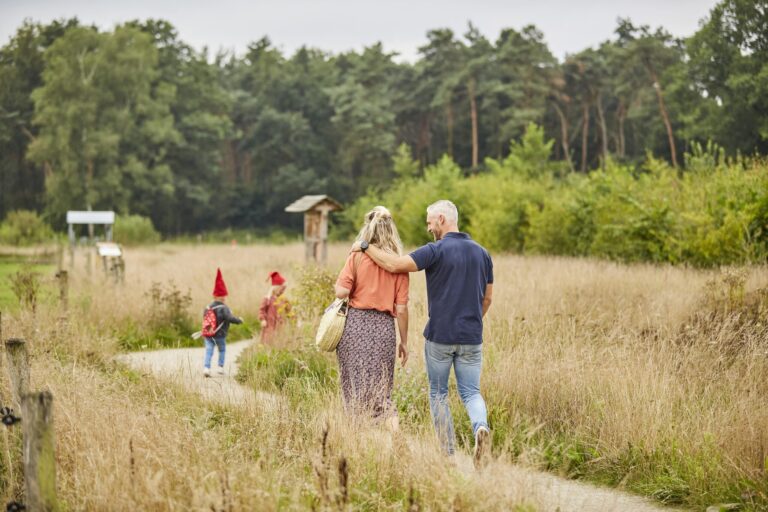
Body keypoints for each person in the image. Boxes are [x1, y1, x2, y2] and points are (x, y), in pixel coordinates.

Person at [352, 199, 494, 467]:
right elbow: (487, 299)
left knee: (438, 393)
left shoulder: (434, 250)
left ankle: (448, 456)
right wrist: (473, 321)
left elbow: (394, 264)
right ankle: (480, 428)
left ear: (441, 219)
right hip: (472, 337)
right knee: (471, 392)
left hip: (440, 336)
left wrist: (365, 246)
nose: (429, 228)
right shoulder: (482, 253)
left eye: (430, 222)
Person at [334, 206, 410, 427]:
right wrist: (404, 342)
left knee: (354, 386)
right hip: (384, 329)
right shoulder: (399, 265)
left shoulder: (357, 256)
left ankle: (358, 441)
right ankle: (395, 434)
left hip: (355, 326)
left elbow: (342, 292)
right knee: (382, 390)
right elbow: (402, 309)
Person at [202, 268, 243, 377]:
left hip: (209, 334)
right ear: (224, 296)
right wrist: (239, 320)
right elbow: (230, 318)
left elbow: (204, 318)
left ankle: (206, 368)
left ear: (214, 296)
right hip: (220, 335)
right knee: (222, 350)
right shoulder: (224, 308)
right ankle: (220, 367)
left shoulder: (208, 307)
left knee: (209, 351)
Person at [259, 271, 292, 345]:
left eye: (284, 290)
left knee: (279, 340)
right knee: (268, 341)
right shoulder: (267, 299)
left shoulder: (284, 299)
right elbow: (262, 310)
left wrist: (292, 318)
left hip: (280, 325)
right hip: (269, 326)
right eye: (281, 289)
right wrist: (263, 319)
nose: (282, 291)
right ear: (275, 288)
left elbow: (289, 311)